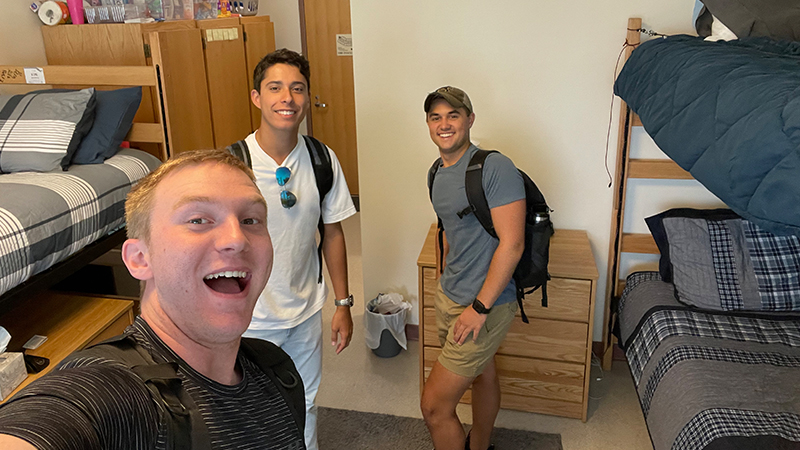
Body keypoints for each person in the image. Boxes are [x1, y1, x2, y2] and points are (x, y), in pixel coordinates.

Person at [0, 149, 307, 450]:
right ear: (139, 259)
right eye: (198, 220)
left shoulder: (276, 372)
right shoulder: (114, 390)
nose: (236, 239)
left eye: (251, 220)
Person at [242, 48, 357, 450]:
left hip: (305, 309)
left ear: (307, 98)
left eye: (297, 89)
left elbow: (334, 232)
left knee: (305, 403)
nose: (286, 98)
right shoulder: (234, 164)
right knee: (251, 408)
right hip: (249, 316)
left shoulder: (321, 159)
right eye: (275, 88)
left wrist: (342, 304)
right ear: (257, 97)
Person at [421, 87, 526, 450]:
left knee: (434, 407)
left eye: (453, 115)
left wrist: (478, 308)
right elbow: (448, 228)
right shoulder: (436, 171)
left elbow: (512, 244)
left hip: (486, 304)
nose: (444, 124)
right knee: (483, 374)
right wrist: (442, 278)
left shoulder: (495, 167)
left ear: (469, 119)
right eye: (436, 117)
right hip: (451, 295)